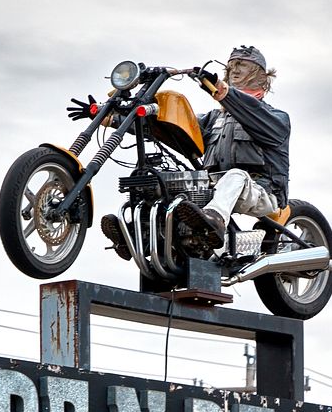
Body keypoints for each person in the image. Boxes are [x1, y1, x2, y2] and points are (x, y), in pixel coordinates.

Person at [92, 46, 290, 260]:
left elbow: (251, 112)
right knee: (167, 181)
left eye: (243, 66)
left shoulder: (275, 117)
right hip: (214, 186)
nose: (235, 70)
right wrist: (112, 120)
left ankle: (215, 221)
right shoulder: (215, 119)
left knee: (236, 176)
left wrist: (224, 93)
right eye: (232, 66)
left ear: (260, 76)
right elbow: (175, 129)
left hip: (261, 189)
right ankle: (136, 234)